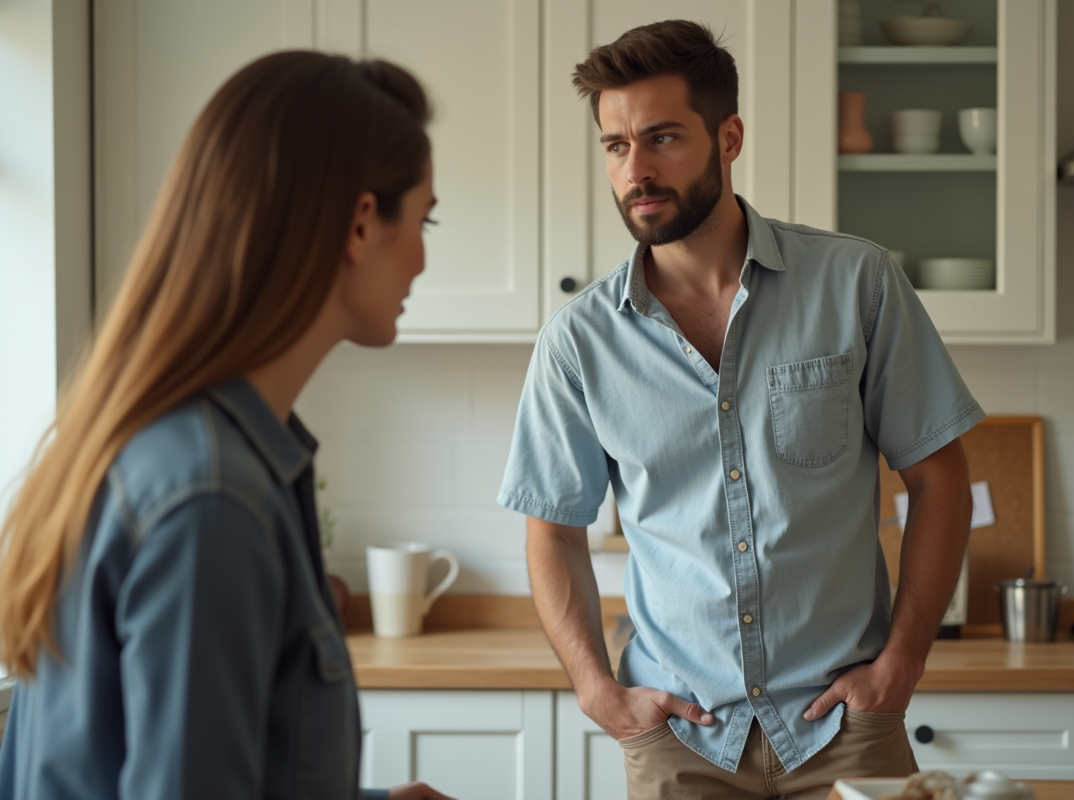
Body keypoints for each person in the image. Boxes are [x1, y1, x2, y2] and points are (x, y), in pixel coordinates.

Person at [497, 19, 983, 800]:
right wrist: (596, 689)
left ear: (728, 138)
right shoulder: (578, 341)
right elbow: (552, 529)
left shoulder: (856, 284)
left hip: (845, 727)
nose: (636, 170)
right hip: (679, 738)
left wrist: (903, 662)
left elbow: (941, 478)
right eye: (616, 146)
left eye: (662, 138)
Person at [0, 51, 454, 800]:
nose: (424, 258)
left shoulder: (161, 449)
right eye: (423, 218)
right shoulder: (212, 499)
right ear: (360, 224)